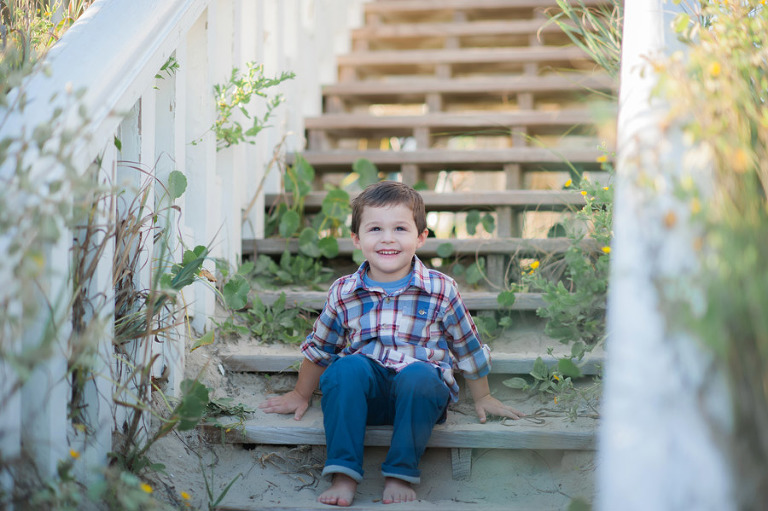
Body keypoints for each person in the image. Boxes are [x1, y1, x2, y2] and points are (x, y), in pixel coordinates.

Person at [259, 181, 524, 507]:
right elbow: (321, 348)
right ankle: (344, 473)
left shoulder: (440, 289)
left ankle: (400, 472)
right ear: (357, 239)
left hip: (420, 395)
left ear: (421, 237)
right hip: (364, 394)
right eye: (375, 229)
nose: (387, 238)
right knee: (347, 368)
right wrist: (301, 393)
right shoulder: (344, 291)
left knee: (421, 376)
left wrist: (482, 395)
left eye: (400, 228)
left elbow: (467, 346)